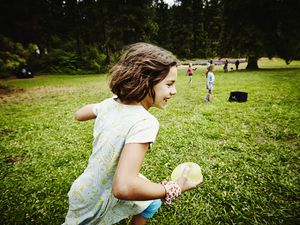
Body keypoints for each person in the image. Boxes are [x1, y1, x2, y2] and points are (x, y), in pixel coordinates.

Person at [63, 43, 203, 225]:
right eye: (169, 84)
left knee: (151, 203)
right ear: (145, 80)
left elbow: (79, 114)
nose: (174, 91)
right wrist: (173, 187)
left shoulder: (109, 104)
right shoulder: (145, 122)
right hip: (96, 201)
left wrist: (106, 107)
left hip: (85, 189)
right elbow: (123, 187)